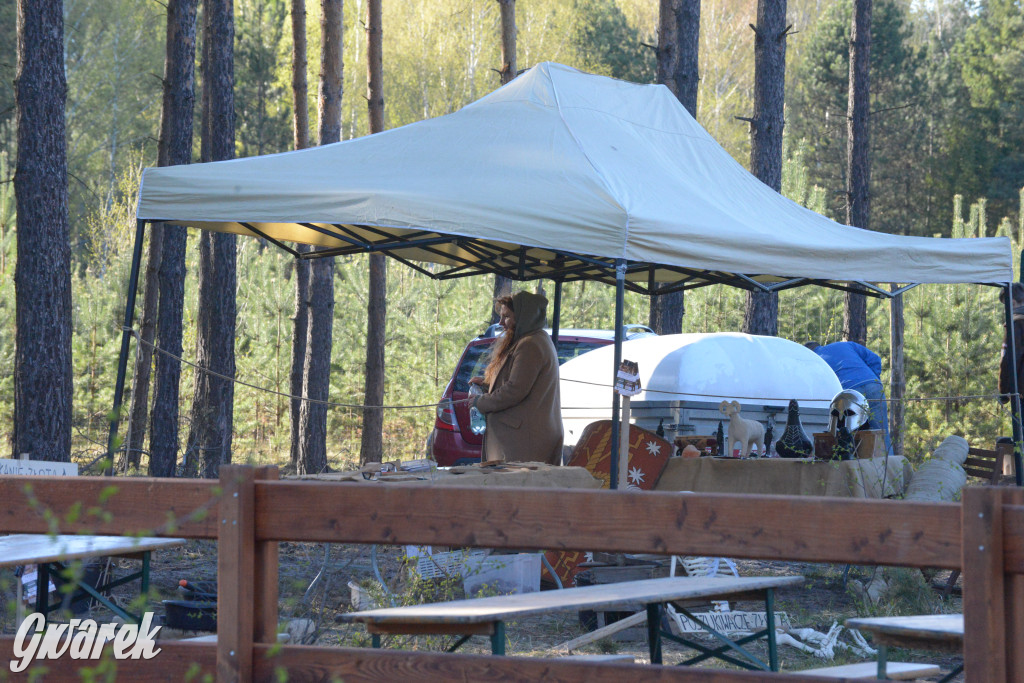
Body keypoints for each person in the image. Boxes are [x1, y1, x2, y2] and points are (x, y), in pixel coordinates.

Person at [469, 291, 563, 465]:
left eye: (506, 317)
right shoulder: (531, 340)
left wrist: (480, 402)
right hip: (523, 440)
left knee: (517, 491)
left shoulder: (530, 345)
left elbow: (515, 390)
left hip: (524, 443)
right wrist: (487, 384)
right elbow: (517, 380)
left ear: (523, 317)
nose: (501, 323)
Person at [805, 340, 893, 455]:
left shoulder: (816, 360)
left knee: (850, 433)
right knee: (882, 432)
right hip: (873, 384)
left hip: (850, 392)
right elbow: (875, 359)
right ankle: (891, 466)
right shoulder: (846, 344)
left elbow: (821, 386)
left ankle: (858, 466)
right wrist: (873, 379)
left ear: (809, 352)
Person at [998, 283, 1024, 437]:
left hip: (1021, 393)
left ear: (1012, 302)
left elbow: (1009, 359)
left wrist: (1004, 392)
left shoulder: (1015, 324)